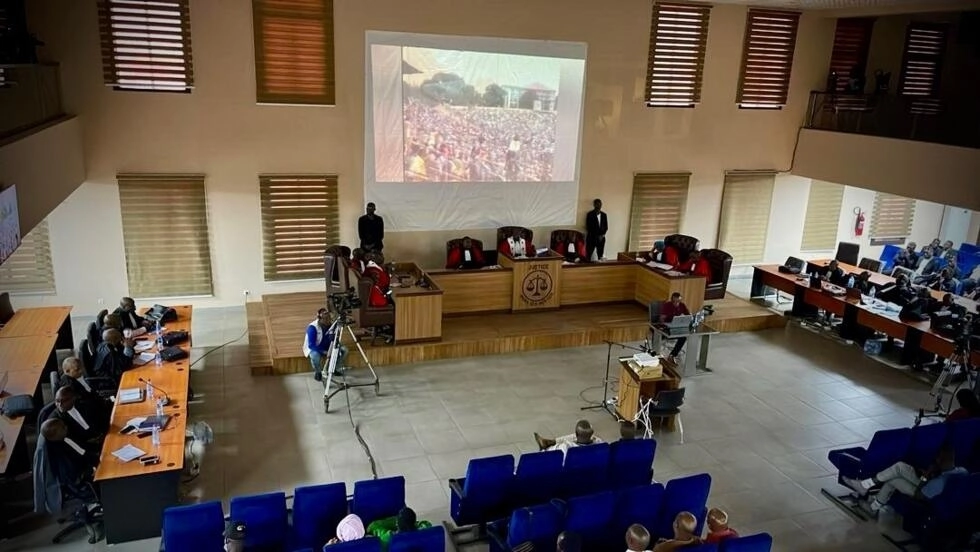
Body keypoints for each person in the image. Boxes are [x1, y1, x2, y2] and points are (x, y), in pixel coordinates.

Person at [843, 445, 966, 516]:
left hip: (924, 494)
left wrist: (926, 475)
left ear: (940, 460)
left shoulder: (940, 481)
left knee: (895, 477)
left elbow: (919, 494)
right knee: (898, 468)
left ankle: (867, 489)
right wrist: (930, 475)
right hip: (934, 487)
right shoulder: (963, 471)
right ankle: (871, 500)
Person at [39, 418, 99, 486]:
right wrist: (92, 469)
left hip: (92, 460)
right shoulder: (61, 454)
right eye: (63, 427)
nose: (66, 427)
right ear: (55, 434)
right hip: (87, 474)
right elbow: (74, 475)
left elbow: (82, 450)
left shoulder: (65, 437)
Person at [303, 309, 347, 382]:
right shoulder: (312, 327)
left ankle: (334, 368)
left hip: (329, 345)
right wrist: (324, 352)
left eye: (329, 318)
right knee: (314, 356)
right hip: (316, 347)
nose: (328, 321)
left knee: (344, 350)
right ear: (320, 319)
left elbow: (335, 337)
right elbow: (311, 345)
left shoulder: (332, 324)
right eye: (325, 319)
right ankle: (318, 372)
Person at [366, 507, 432, 549]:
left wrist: (395, 521)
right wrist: (408, 521)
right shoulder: (425, 531)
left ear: (397, 524)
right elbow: (426, 523)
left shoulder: (388, 538)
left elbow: (372, 527)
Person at [533, 419, 603, 456]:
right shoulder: (600, 444)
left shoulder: (566, 447)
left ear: (576, 433)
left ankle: (549, 442)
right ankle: (551, 441)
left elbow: (544, 453)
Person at [660, 292, 691, 361]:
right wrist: (665, 323)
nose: (677, 303)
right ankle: (656, 353)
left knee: (683, 337)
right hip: (667, 326)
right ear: (671, 300)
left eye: (678, 301)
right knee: (659, 335)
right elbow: (662, 318)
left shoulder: (682, 305)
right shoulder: (667, 305)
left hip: (677, 327)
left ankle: (673, 355)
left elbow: (688, 315)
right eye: (675, 301)